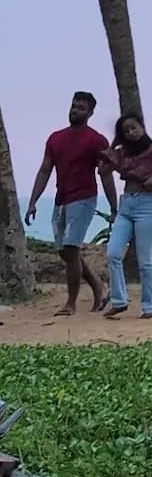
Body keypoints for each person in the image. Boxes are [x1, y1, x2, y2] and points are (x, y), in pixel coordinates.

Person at [25, 91, 117, 315]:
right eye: (74, 106)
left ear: (90, 113)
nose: (75, 110)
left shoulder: (96, 140)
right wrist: (33, 201)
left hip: (84, 198)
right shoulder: (56, 138)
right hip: (61, 199)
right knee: (65, 253)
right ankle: (99, 286)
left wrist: (114, 207)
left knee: (71, 248)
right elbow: (45, 170)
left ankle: (70, 304)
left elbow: (105, 174)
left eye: (81, 108)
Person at [100, 112, 152, 319]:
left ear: (142, 127)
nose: (131, 132)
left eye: (134, 127)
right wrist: (113, 146)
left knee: (145, 260)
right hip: (127, 204)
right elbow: (103, 170)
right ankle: (119, 301)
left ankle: (149, 306)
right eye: (126, 131)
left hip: (147, 204)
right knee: (113, 252)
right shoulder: (122, 153)